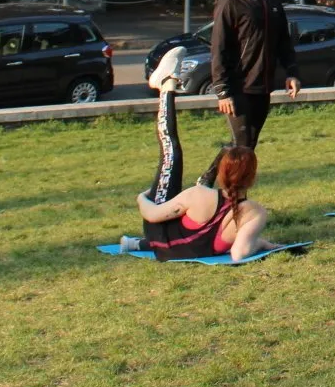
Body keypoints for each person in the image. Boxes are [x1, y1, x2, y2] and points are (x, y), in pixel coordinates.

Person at [119, 47, 278, 261]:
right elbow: (239, 253)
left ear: (221, 173)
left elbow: (152, 215)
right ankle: (137, 243)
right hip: (176, 247)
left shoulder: (199, 195)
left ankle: (167, 86)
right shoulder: (254, 212)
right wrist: (260, 243)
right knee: (194, 198)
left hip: (161, 241)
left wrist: (141, 199)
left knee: (171, 153)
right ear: (253, 178)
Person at [209, 0, 302, 156]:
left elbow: (283, 41)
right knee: (242, 146)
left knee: (247, 145)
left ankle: (212, 175)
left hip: (263, 86)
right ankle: (225, 179)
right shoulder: (229, 2)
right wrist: (223, 92)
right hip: (238, 87)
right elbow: (218, 49)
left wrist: (292, 73)